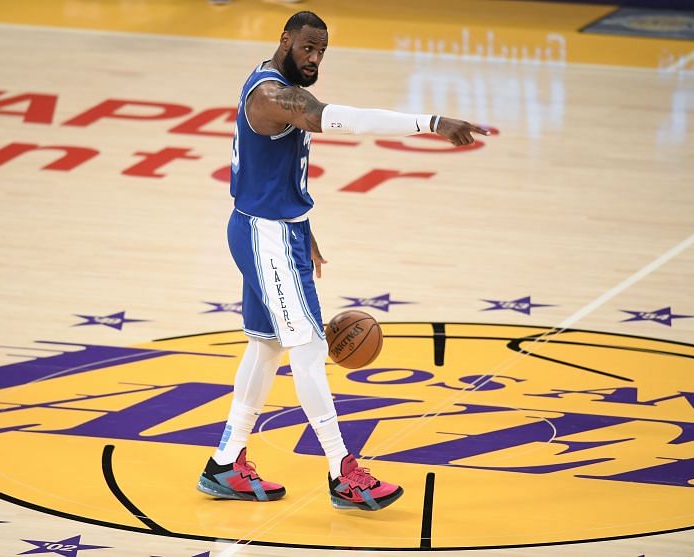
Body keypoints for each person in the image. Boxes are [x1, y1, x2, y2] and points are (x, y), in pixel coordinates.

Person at [197, 10, 489, 511]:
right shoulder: (272, 97)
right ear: (285, 40)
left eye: (322, 52)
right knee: (309, 349)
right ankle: (343, 473)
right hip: (265, 235)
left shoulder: (284, 88)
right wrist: (431, 123)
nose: (314, 59)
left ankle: (225, 463)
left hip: (270, 227)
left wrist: (304, 227)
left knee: (267, 346)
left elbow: (281, 170)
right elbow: (346, 119)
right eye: (308, 48)